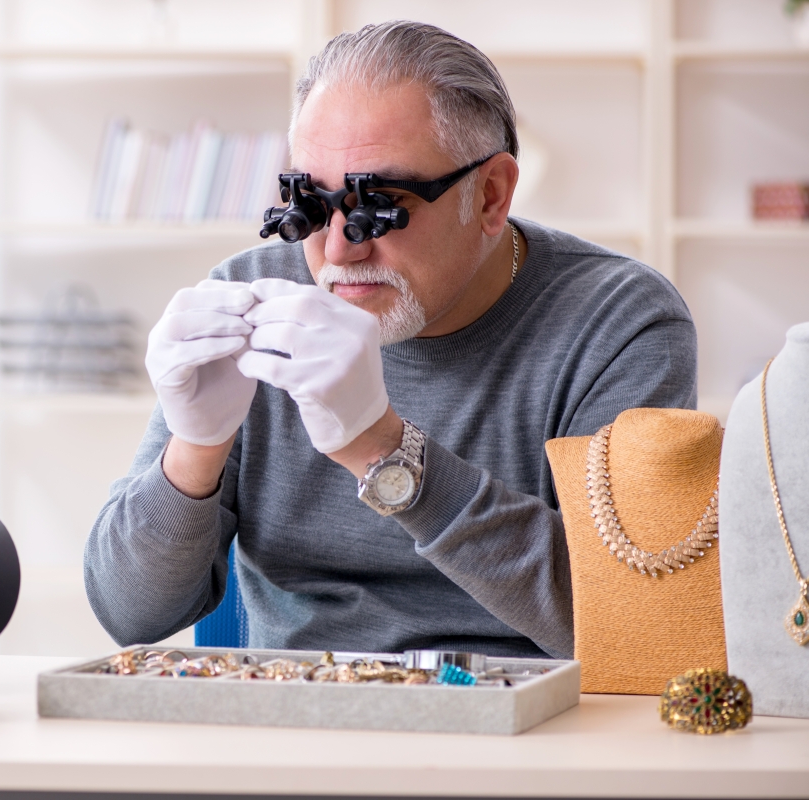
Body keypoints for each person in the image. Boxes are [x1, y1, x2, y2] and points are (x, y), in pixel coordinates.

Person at [84, 21, 696, 659]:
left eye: (379, 202)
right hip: (302, 721)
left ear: (491, 195)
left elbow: (633, 624)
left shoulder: (619, 323)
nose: (340, 248)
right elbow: (132, 615)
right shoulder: (252, 296)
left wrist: (382, 450)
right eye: (312, 202)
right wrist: (193, 451)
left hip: (530, 729)